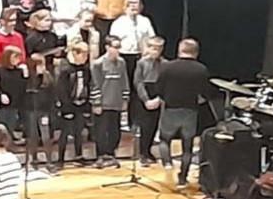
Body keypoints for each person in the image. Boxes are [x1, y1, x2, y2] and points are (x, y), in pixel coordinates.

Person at [152, 38, 210, 186]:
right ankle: (183, 178)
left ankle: (167, 163)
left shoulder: (167, 67)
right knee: (188, 146)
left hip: (171, 108)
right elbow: (205, 93)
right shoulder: (201, 69)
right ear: (196, 52)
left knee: (164, 139)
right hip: (190, 110)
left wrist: (165, 97)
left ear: (179, 50)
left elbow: (158, 88)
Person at [90, 36, 128, 168]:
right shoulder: (98, 64)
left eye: (118, 47)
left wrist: (125, 99)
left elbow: (124, 81)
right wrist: (96, 103)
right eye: (114, 47)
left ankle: (111, 154)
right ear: (107, 47)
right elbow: (95, 84)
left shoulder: (121, 62)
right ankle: (101, 155)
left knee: (115, 130)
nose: (117, 50)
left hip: (116, 102)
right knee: (101, 130)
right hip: (103, 103)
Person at [54, 41, 93, 167]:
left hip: (81, 104)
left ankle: (78, 155)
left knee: (79, 131)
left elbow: (87, 86)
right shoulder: (66, 69)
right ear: (75, 53)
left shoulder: (86, 69)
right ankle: (60, 159)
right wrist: (66, 108)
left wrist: (87, 104)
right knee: (65, 132)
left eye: (87, 54)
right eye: (83, 54)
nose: (85, 57)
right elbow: (61, 90)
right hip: (68, 106)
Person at [131, 36, 165, 166]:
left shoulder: (165, 64)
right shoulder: (141, 63)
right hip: (145, 93)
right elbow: (138, 82)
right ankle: (143, 153)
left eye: (158, 49)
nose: (155, 51)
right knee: (145, 125)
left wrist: (159, 98)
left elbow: (165, 82)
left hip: (158, 93)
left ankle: (149, 150)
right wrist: (146, 100)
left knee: (154, 125)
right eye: (153, 48)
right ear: (148, 48)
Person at [24, 54, 55, 173]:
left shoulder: (48, 77)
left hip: (44, 111)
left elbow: (52, 93)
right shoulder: (29, 77)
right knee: (33, 136)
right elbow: (27, 91)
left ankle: (49, 161)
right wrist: (35, 76)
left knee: (46, 136)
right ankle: (34, 159)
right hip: (31, 110)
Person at [0, 46, 26, 134]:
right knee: (1, 128)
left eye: (19, 57)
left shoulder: (20, 71)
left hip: (15, 105)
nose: (17, 60)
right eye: (15, 57)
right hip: (3, 106)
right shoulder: (0, 71)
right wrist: (1, 95)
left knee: (11, 128)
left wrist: (26, 76)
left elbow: (23, 88)